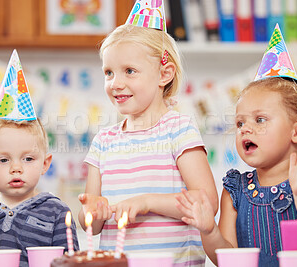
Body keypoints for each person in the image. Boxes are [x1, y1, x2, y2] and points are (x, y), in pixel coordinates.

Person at [175, 24, 297, 267]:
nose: (245, 128)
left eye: (260, 119)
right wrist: (209, 231)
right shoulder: (235, 190)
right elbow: (226, 258)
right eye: (240, 122)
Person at [77, 1, 218, 266]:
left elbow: (207, 202)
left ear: (164, 74)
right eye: (109, 73)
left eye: (129, 71)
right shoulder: (103, 143)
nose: (116, 83)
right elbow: (92, 226)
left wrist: (147, 202)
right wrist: (91, 212)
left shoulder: (178, 130)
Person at [0, 50, 79, 267]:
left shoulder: (58, 213)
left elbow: (72, 262)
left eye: (28, 159)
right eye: (3, 160)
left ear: (45, 163)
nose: (16, 168)